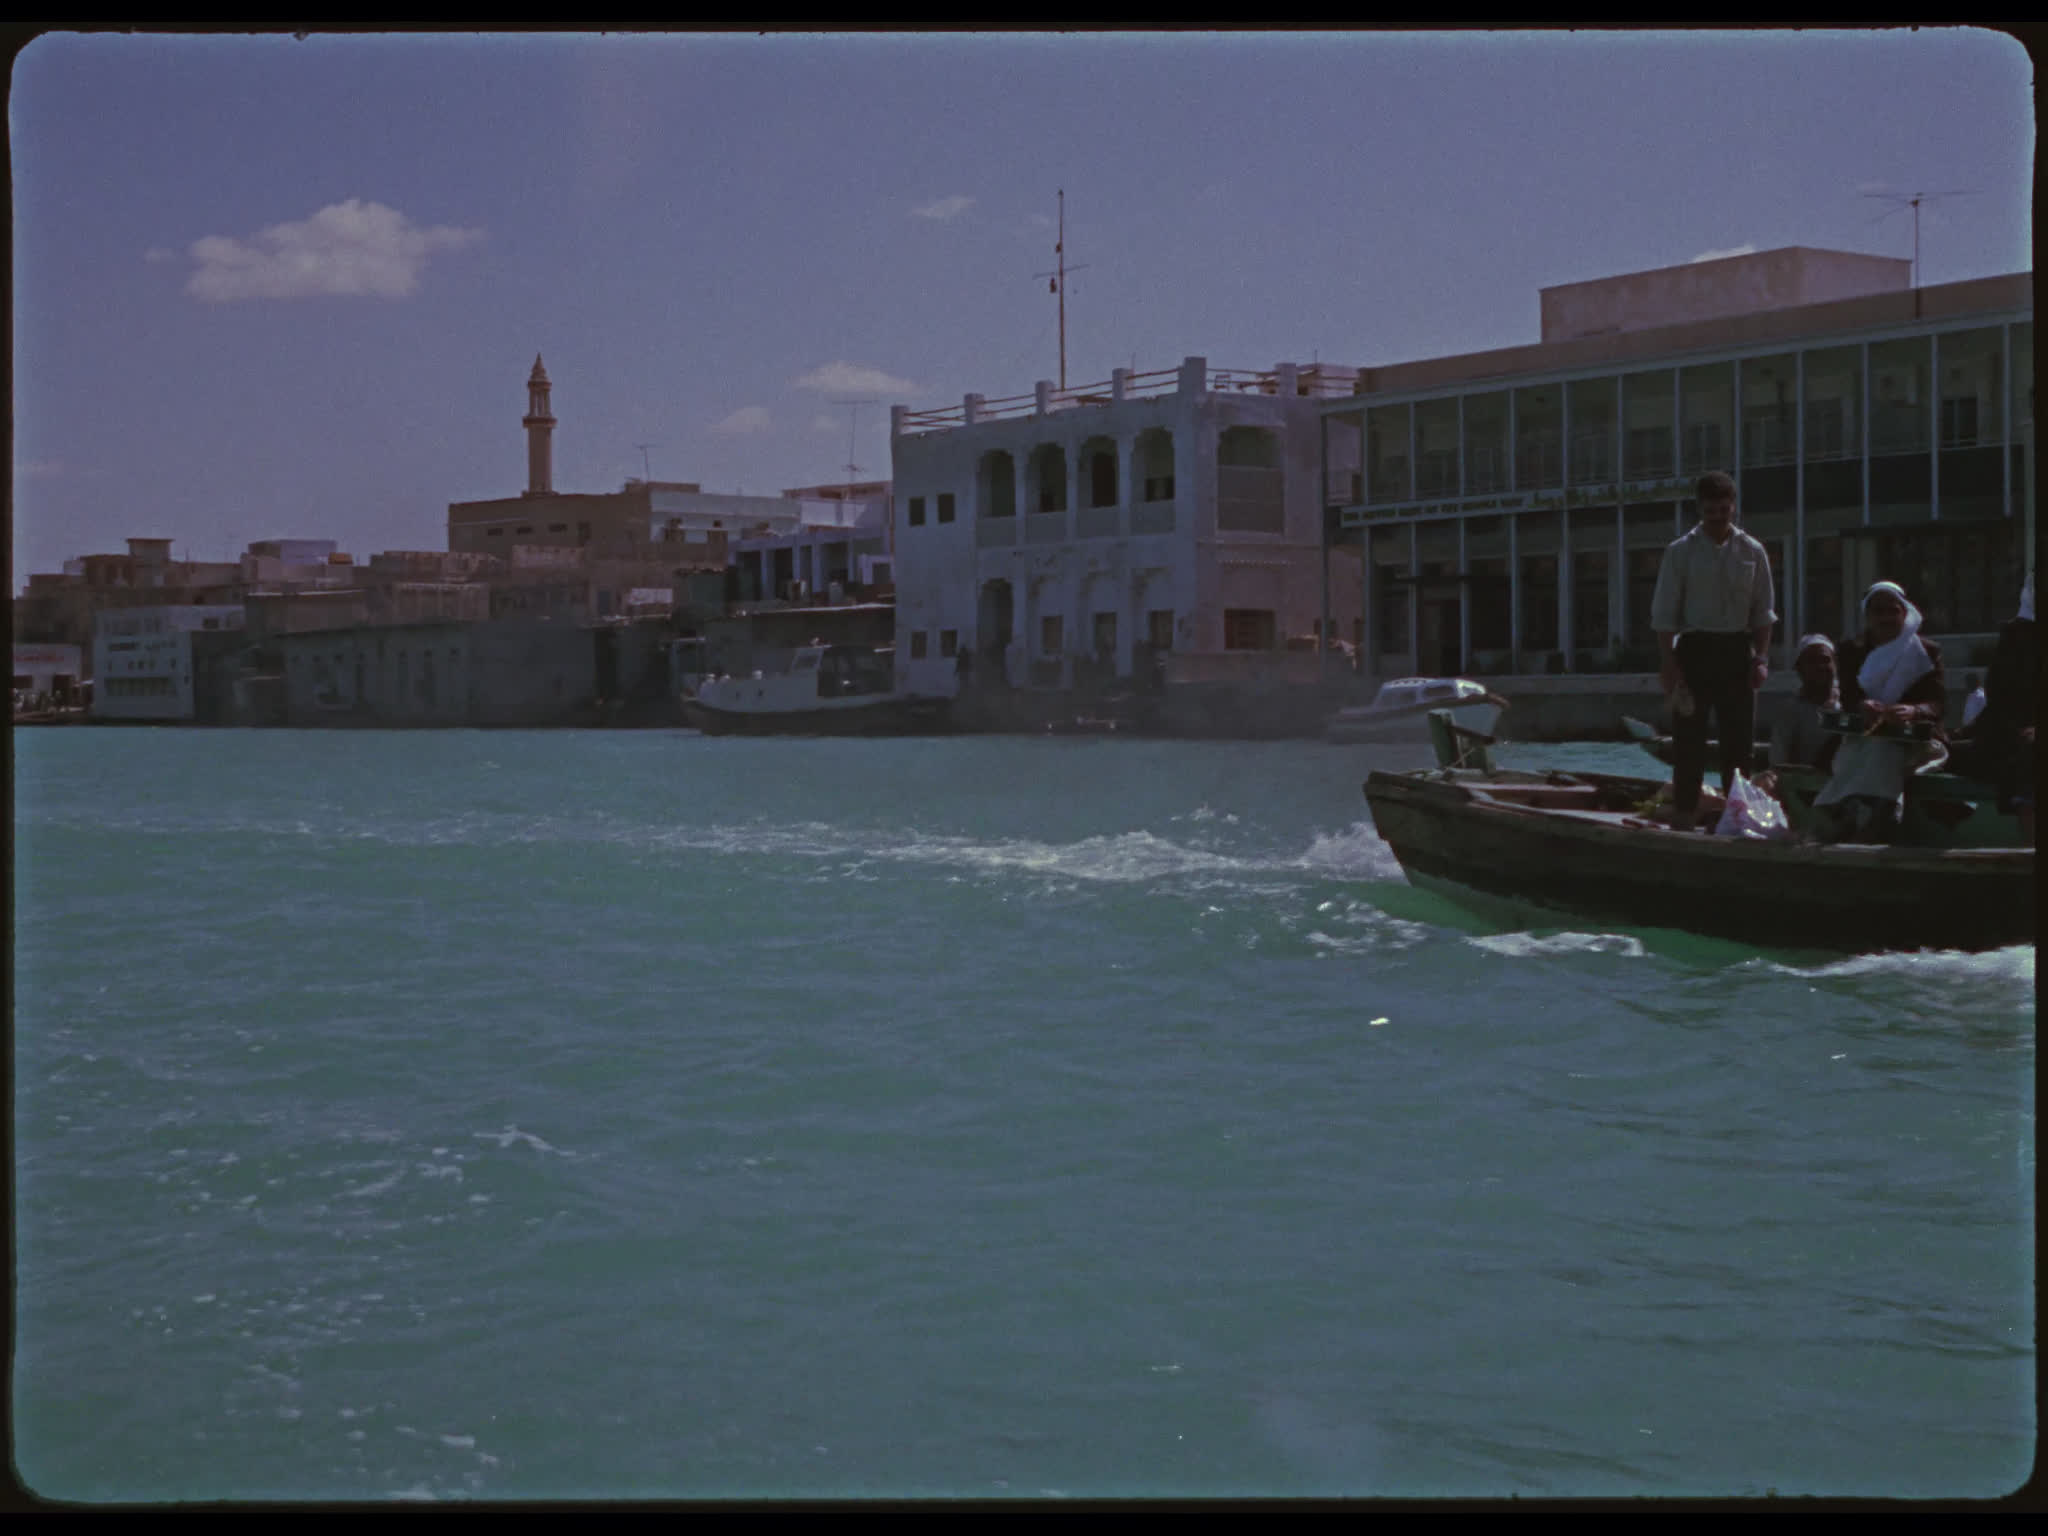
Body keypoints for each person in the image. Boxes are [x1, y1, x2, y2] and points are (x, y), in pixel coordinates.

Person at [1648, 470, 1776, 830]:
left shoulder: (1753, 551)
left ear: (1733, 507)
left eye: (1724, 510)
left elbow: (1763, 613)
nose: (1718, 517)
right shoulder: (1680, 552)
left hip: (1737, 650)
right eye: (1710, 511)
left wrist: (1761, 659)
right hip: (1695, 650)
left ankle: (1739, 816)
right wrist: (1669, 665)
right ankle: (1684, 814)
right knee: (1688, 740)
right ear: (1700, 509)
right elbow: (1664, 616)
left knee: (1739, 742)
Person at [1811, 581, 1945, 843]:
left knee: (1885, 749)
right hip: (1864, 734)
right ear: (1868, 616)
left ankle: (1877, 818)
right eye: (1878, 611)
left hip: (1913, 740)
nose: (1886, 618)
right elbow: (1850, 698)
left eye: (1893, 611)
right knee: (1861, 749)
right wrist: (1862, 706)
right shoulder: (1851, 651)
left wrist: (1913, 711)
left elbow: (1938, 703)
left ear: (1904, 613)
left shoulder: (1926, 652)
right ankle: (1849, 815)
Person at [1768, 634, 1842, 771]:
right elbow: (1779, 764)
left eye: (1825, 660)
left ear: (1835, 665)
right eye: (1812, 661)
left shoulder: (1848, 707)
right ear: (1799, 668)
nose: (1820, 666)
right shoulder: (1789, 712)